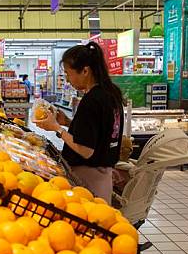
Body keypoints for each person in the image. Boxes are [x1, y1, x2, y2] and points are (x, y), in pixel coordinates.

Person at [34, 42, 124, 204]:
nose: (67, 80)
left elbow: (85, 149)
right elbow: (99, 130)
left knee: (91, 219)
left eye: (69, 74)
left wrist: (57, 128)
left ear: (85, 71)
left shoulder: (92, 100)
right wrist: (68, 122)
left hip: (89, 177)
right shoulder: (111, 92)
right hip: (103, 172)